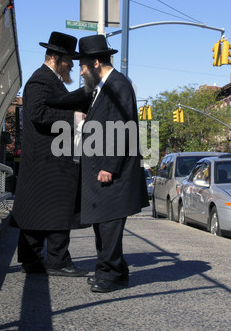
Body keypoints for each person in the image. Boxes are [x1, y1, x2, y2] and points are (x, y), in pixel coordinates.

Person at [11, 31, 90, 277]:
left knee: (40, 212)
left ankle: (32, 259)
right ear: (55, 57)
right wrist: (73, 118)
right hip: (47, 160)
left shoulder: (49, 80)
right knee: (58, 211)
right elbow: (37, 114)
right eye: (69, 60)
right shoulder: (40, 80)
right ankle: (57, 261)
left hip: (49, 159)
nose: (72, 65)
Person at [76, 35, 149, 293]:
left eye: (83, 65)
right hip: (101, 169)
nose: (80, 70)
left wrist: (110, 166)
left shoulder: (119, 85)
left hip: (112, 172)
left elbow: (122, 127)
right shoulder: (105, 87)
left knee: (108, 226)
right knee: (102, 224)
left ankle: (111, 274)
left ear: (96, 62)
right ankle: (112, 271)